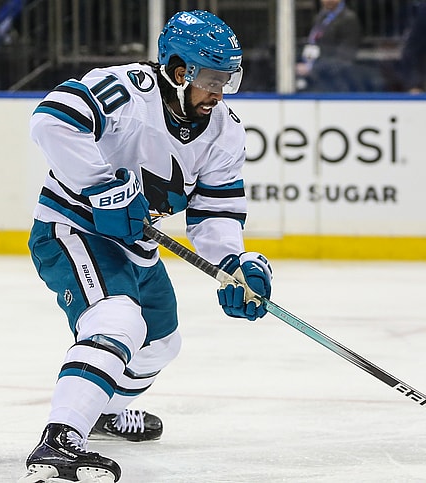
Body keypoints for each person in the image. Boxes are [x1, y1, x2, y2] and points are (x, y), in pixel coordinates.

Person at [18, 10, 273, 483]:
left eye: (228, 79)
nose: (220, 92)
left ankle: (102, 411)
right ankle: (61, 438)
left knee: (161, 341)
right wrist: (101, 187)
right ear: (179, 72)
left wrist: (233, 263)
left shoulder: (225, 130)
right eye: (213, 79)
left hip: (137, 246)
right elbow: (51, 121)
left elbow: (215, 213)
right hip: (73, 229)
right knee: (118, 320)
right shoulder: (127, 90)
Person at [296, 0, 362, 92]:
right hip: (313, 76)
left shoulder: (348, 19)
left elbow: (344, 58)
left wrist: (312, 68)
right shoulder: (320, 16)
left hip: (334, 81)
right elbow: (313, 43)